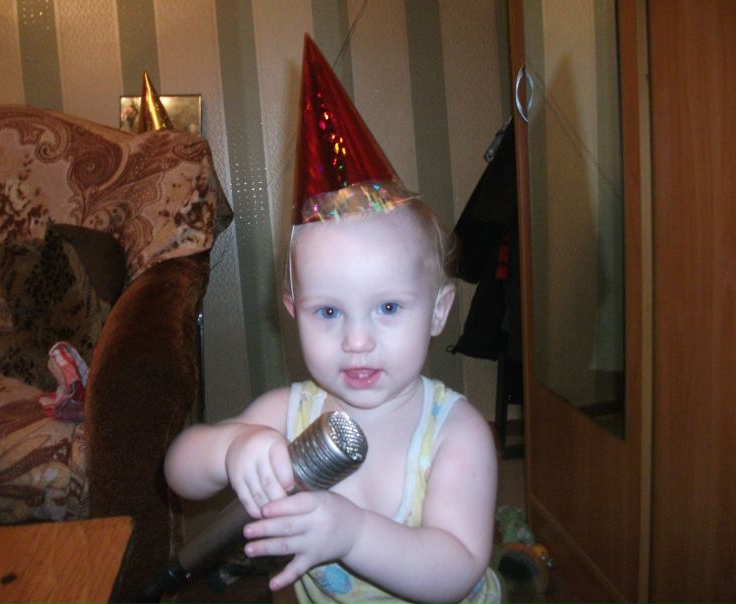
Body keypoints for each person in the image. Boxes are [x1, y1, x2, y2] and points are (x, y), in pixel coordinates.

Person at [164, 35, 502, 604]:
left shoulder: (456, 432)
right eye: (327, 311)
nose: (357, 340)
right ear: (293, 312)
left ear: (439, 311)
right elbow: (178, 470)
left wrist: (353, 534)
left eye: (388, 307)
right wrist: (231, 448)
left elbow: (455, 570)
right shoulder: (288, 416)